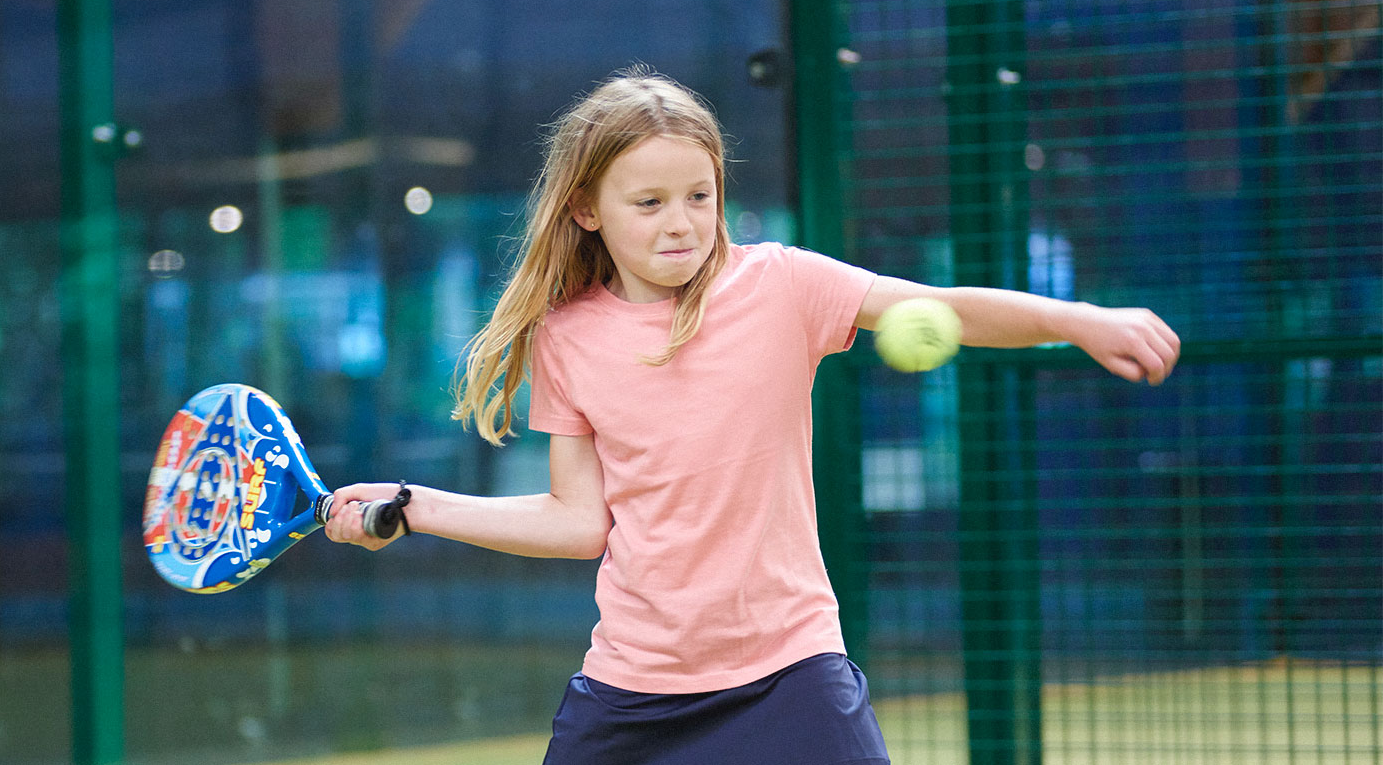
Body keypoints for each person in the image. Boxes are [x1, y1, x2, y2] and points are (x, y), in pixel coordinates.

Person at [324, 66, 1181, 764]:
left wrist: (1077, 319)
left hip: (791, 670)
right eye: (649, 202)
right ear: (587, 210)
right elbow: (581, 521)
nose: (681, 224)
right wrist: (416, 508)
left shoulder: (783, 287)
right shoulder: (567, 338)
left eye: (700, 196)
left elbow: (943, 305)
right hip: (636, 688)